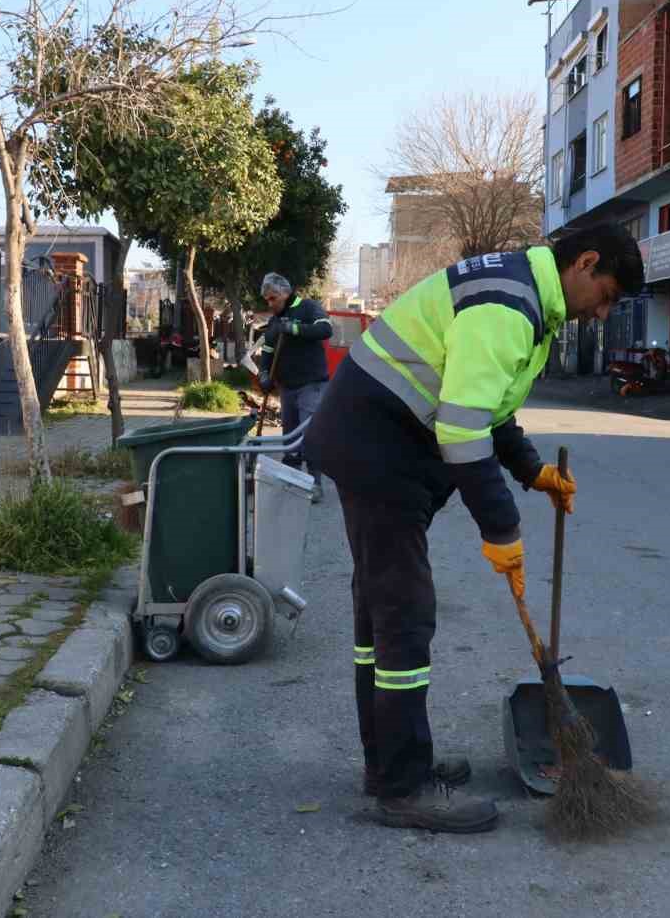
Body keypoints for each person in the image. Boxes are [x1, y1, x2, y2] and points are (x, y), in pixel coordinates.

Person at [305, 224, 644, 834]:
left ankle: (390, 764)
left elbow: (490, 410)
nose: (603, 312)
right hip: (378, 451)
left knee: (381, 618)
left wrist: (531, 470)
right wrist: (501, 527)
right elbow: (461, 431)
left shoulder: (523, 299)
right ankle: (403, 788)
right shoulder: (508, 307)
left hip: (373, 443)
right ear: (585, 263)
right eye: (608, 294)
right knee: (403, 618)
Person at [258, 273, 333, 493]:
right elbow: (268, 350)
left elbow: (325, 329)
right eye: (267, 300)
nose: (270, 304)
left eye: (273, 299)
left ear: (284, 293)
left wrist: (294, 328)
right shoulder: (274, 321)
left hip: (311, 384)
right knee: (289, 434)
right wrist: (264, 374)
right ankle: (290, 479)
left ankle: (314, 482)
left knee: (309, 433)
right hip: (287, 386)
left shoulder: (308, 307)